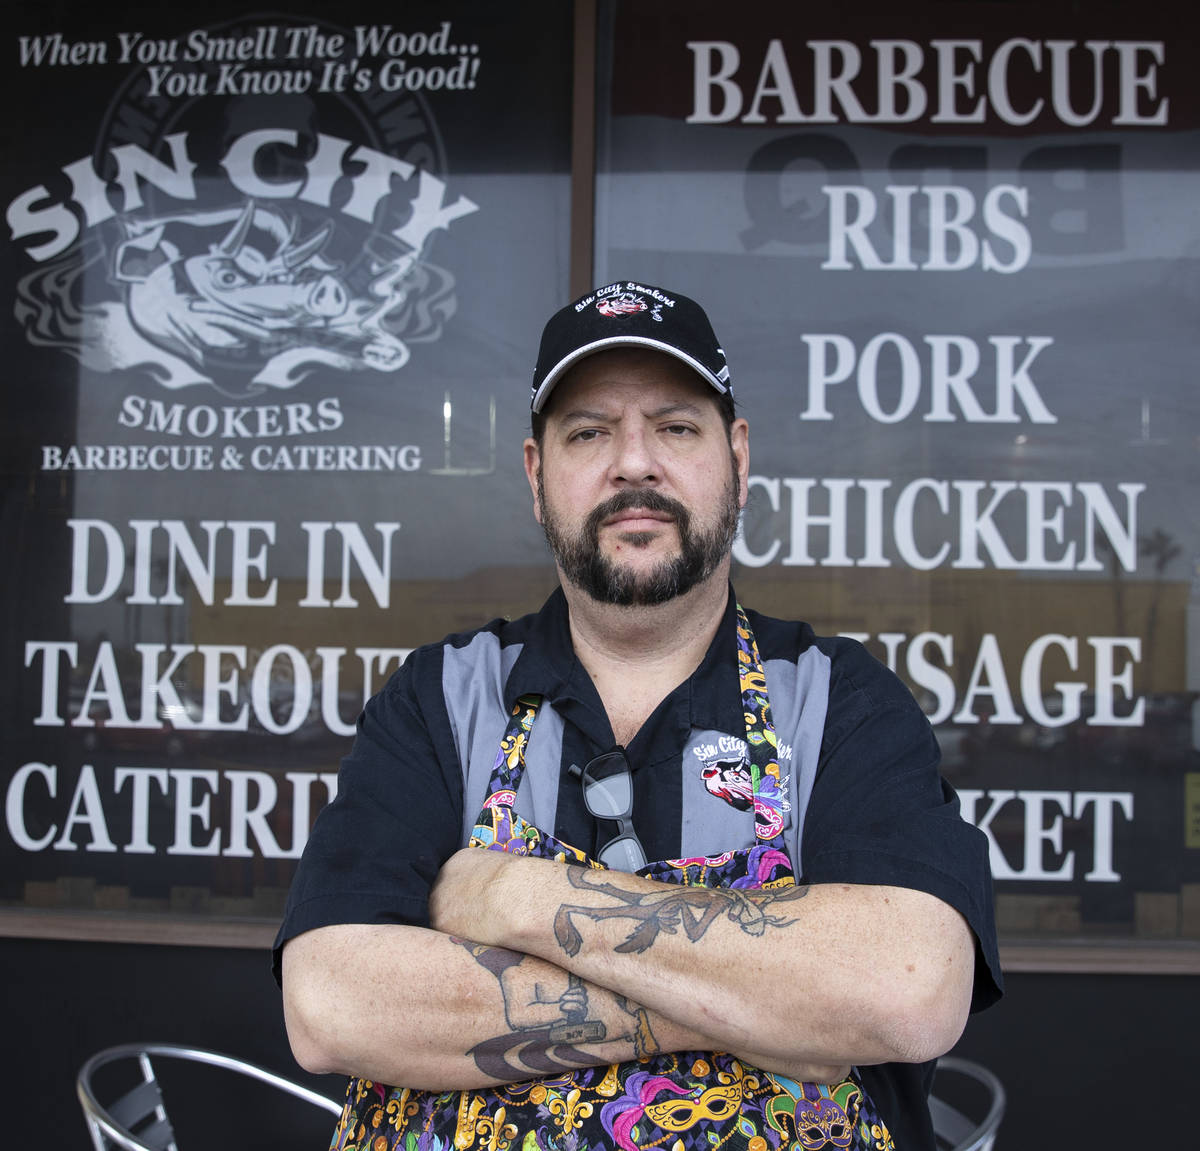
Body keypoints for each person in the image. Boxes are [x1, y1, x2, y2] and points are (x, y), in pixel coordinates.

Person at [275, 281, 1003, 1151]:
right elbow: (331, 1003)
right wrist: (760, 1002)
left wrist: (510, 894)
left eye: (676, 427)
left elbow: (908, 986)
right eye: (589, 432)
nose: (634, 463)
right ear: (537, 476)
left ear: (737, 455)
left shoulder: (835, 699)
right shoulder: (443, 697)